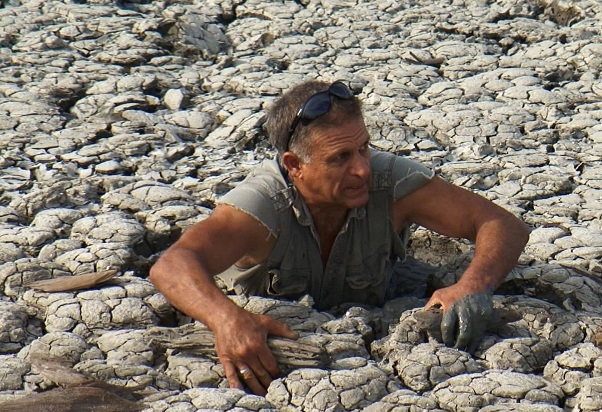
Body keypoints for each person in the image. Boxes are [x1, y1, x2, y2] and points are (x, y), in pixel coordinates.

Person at [149, 79, 529, 395]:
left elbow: (501, 224)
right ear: (294, 166)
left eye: (364, 148)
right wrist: (227, 320)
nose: (362, 169)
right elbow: (172, 265)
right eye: (340, 158)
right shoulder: (262, 205)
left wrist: (474, 285)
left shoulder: (390, 180)